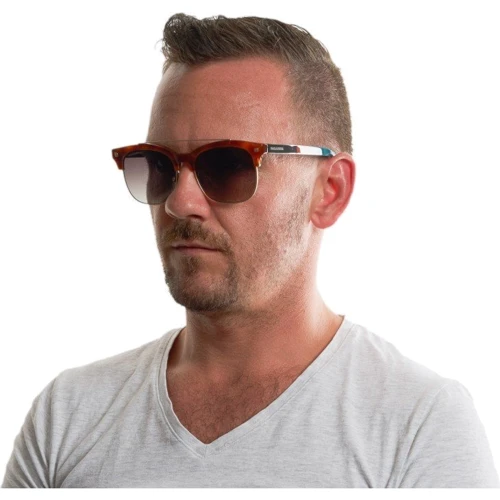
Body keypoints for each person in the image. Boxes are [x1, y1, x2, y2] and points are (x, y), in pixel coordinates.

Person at [2, 13, 498, 488]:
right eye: (158, 165)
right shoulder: (67, 417)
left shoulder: (418, 427)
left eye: (227, 165)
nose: (179, 202)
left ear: (329, 191)